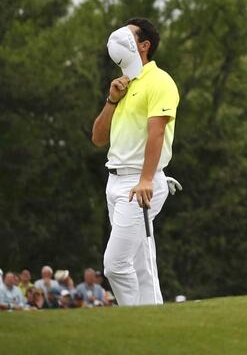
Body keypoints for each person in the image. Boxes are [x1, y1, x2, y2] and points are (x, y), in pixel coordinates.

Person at [91, 19, 180, 306]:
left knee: (115, 264)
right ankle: (153, 322)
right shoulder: (122, 85)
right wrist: (111, 100)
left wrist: (146, 179)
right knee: (141, 263)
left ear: (144, 45)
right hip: (115, 181)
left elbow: (157, 132)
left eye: (129, 34)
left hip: (140, 183)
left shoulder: (160, 81)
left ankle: (132, 320)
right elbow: (98, 138)